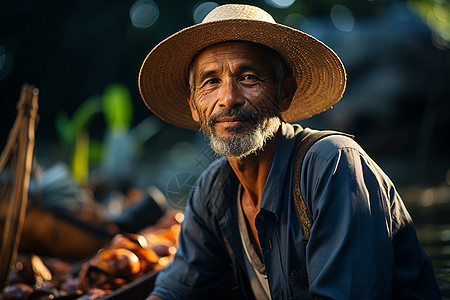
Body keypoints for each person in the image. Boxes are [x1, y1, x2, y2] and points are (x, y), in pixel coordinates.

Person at [138, 4, 441, 299]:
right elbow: (174, 290)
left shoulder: (332, 165)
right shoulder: (213, 193)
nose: (228, 99)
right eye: (211, 81)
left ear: (284, 93)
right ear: (194, 105)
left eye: (248, 77)